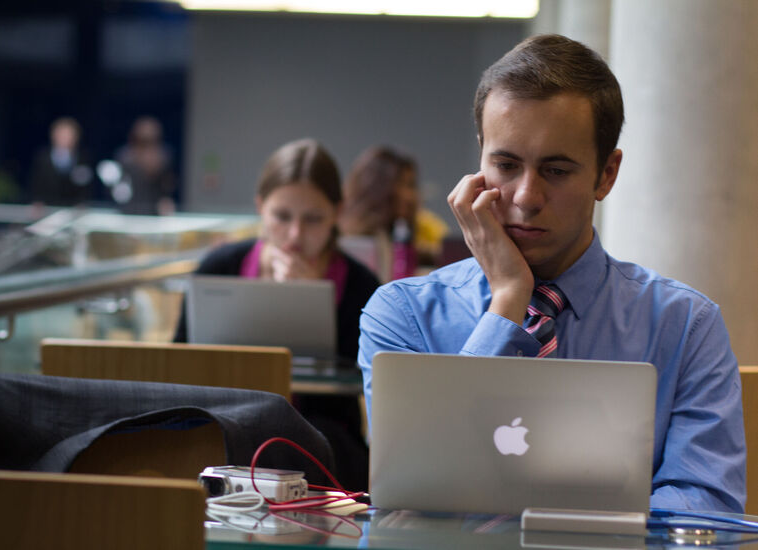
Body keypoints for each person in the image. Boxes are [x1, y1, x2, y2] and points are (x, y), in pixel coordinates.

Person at [358, 34, 745, 512]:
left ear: (606, 174)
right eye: (505, 165)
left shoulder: (685, 324)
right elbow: (416, 496)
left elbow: (706, 506)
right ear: (480, 158)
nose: (524, 197)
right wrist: (508, 299)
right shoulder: (402, 312)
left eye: (556, 171)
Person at [174, 138, 380, 491]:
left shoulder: (362, 286)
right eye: (282, 216)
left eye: (313, 219)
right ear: (260, 208)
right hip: (224, 429)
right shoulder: (219, 268)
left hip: (323, 443)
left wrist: (312, 300)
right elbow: (178, 360)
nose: (295, 235)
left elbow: (369, 381)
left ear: (337, 213)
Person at [340, 146, 448, 281]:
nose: (410, 195)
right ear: (377, 188)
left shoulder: (420, 227)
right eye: (403, 184)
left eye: (412, 185)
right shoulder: (352, 243)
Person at [113, 116, 177, 215]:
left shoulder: (164, 156)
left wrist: (166, 200)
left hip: (155, 213)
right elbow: (118, 188)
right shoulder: (125, 156)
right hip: (129, 211)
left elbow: (167, 185)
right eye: (144, 139)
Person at [28, 117, 95, 207]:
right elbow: (35, 183)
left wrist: (82, 203)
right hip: (47, 208)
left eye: (68, 135)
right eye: (62, 134)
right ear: (53, 135)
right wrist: (37, 201)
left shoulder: (83, 158)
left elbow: (86, 186)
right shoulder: (42, 157)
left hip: (73, 210)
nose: (65, 138)